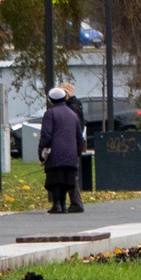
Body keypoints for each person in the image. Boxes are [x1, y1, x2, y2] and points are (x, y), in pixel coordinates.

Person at [39, 85, 85, 214]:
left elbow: (46, 135)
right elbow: (79, 136)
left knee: (55, 179)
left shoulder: (50, 113)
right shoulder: (72, 114)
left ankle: (57, 204)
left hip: (55, 152)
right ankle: (64, 204)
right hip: (70, 152)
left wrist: (41, 152)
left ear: (50, 99)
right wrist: (77, 152)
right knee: (67, 179)